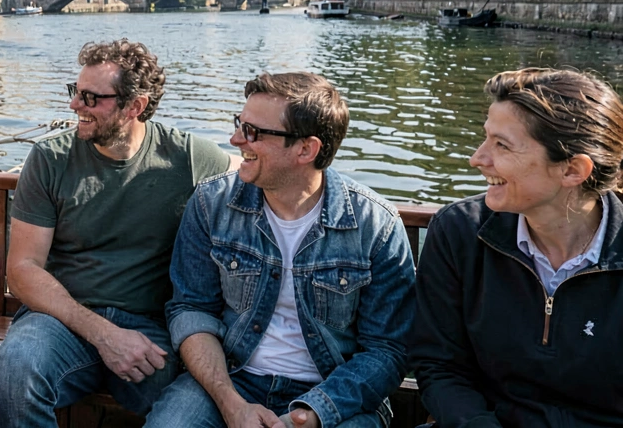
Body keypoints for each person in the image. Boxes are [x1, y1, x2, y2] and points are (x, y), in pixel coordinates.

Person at [0, 39, 234, 426]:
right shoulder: (50, 159)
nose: (74, 105)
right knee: (14, 372)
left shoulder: (189, 158)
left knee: (183, 400)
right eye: (75, 92)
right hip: (60, 318)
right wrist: (104, 335)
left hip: (151, 326)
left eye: (90, 98)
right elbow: (22, 269)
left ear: (135, 106)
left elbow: (257, 174)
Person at [147, 73, 415, 428]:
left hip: (334, 393)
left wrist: (313, 413)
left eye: (253, 132)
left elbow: (387, 351)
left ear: (306, 149)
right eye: (239, 124)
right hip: (230, 380)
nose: (235, 139)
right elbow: (191, 309)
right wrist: (231, 404)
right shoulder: (211, 203)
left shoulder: (375, 225)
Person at [409, 68, 623, 426]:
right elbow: (439, 364)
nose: (477, 159)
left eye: (502, 145)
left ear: (573, 170)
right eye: (485, 138)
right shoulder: (459, 231)